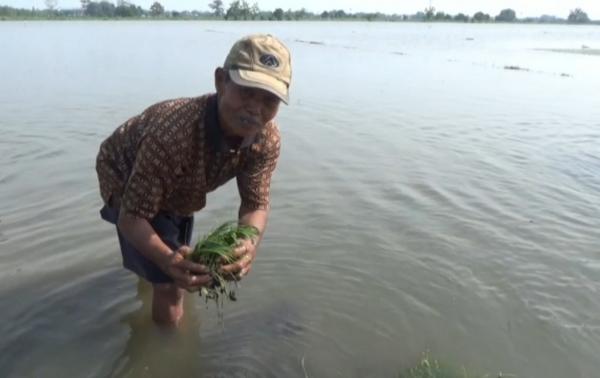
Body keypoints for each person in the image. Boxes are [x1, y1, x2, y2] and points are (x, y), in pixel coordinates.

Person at [95, 34, 292, 326]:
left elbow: (255, 203)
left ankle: (151, 276)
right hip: (123, 171)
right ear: (221, 81)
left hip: (181, 185)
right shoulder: (173, 134)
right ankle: (167, 352)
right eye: (247, 91)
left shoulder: (267, 138)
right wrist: (166, 262)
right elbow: (132, 217)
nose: (255, 109)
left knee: (171, 258)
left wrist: (249, 244)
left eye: (269, 99)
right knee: (172, 284)